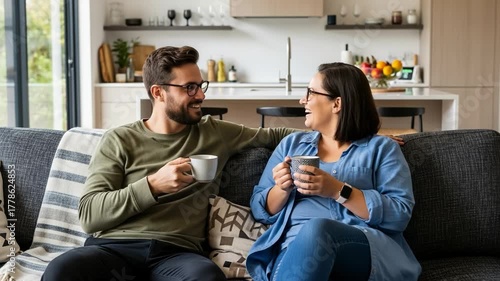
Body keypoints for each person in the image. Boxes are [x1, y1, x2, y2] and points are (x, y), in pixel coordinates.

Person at [41, 46, 296, 281]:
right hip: (114, 249)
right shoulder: (120, 139)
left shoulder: (215, 132)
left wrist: (329, 133)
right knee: (61, 270)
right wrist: (152, 186)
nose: (201, 95)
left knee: (206, 277)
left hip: (177, 254)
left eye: (200, 85)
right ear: (158, 92)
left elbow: (276, 135)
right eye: (190, 88)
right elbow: (89, 215)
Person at [246, 62, 421, 281]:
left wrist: (338, 190)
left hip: (359, 248)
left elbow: (400, 213)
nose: (303, 100)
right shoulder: (292, 145)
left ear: (337, 103)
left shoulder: (381, 149)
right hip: (293, 250)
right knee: (307, 243)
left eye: (310, 93)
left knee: (317, 230)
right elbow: (259, 209)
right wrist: (282, 189)